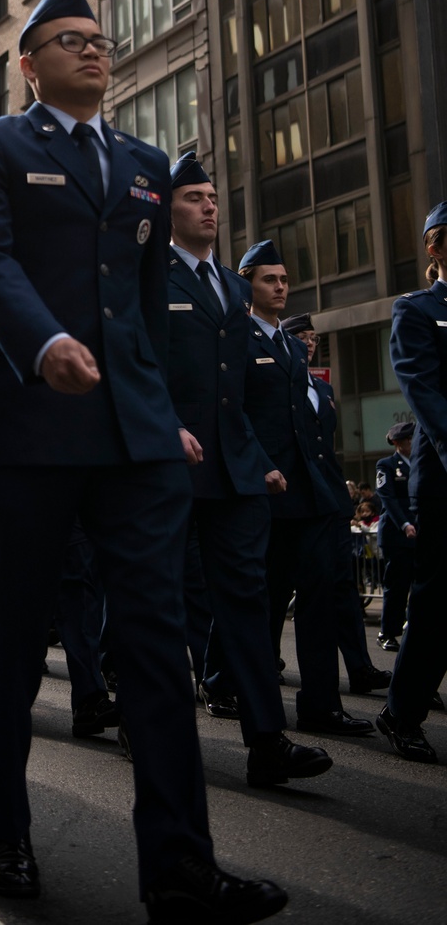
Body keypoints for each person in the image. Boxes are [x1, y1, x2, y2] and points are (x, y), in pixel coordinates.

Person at [0, 0, 287, 921]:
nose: (92, 50)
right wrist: (39, 342)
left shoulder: (142, 164)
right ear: (29, 65)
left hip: (134, 436)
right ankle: (7, 831)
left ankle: (179, 867)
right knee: (13, 642)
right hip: (31, 428)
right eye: (68, 41)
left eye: (98, 39)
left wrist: (163, 410)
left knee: (154, 644)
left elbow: (144, 308)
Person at [167, 155, 331, 789]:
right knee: (152, 601)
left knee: (246, 601)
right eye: (194, 198)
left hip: (234, 472)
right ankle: (136, 714)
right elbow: (137, 364)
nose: (209, 206)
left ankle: (267, 741)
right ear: (167, 209)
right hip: (168, 467)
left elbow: (238, 394)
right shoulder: (149, 279)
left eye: (212, 197)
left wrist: (259, 463)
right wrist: (161, 428)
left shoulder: (235, 292)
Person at [239, 243, 373, 742]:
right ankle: (241, 694)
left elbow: (309, 426)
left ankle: (321, 706)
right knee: (264, 605)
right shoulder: (237, 337)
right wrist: (260, 468)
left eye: (284, 279)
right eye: (269, 279)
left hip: (313, 495)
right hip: (270, 495)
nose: (280, 287)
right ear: (247, 285)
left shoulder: (296, 349)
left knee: (319, 605)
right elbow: (234, 414)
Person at [280, 314, 390, 698]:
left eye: (313, 338)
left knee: (341, 587)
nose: (309, 343)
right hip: (293, 500)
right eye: (301, 337)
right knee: (276, 589)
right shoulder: (283, 381)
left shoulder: (321, 389)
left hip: (329, 500)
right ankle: (238, 673)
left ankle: (360, 667)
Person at [379, 203, 447, 762]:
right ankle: (402, 712)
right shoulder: (418, 311)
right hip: (445, 478)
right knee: (437, 605)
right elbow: (426, 397)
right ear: (436, 247)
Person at [374, 423, 417, 651]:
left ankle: (414, 627)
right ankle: (387, 632)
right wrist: (404, 523)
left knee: (419, 585)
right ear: (399, 443)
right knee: (397, 585)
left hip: (419, 534)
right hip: (397, 535)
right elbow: (388, 498)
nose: (413, 443)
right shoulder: (387, 465)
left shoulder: (420, 464)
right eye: (409, 440)